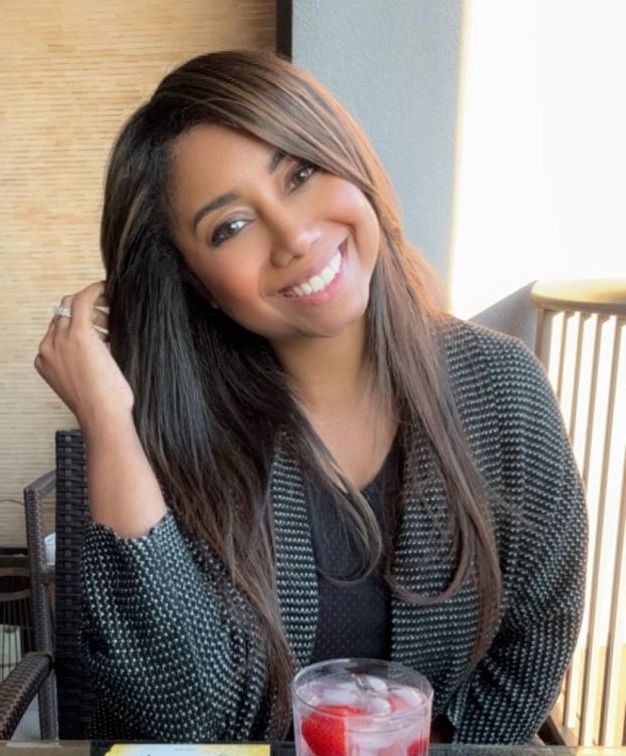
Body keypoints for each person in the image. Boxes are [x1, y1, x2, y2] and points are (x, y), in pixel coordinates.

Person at [35, 50, 586, 745]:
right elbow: (182, 722)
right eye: (230, 227)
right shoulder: (165, 439)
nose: (294, 236)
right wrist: (110, 423)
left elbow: (534, 642)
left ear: (347, 159)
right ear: (196, 279)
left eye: (300, 172)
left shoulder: (502, 388)